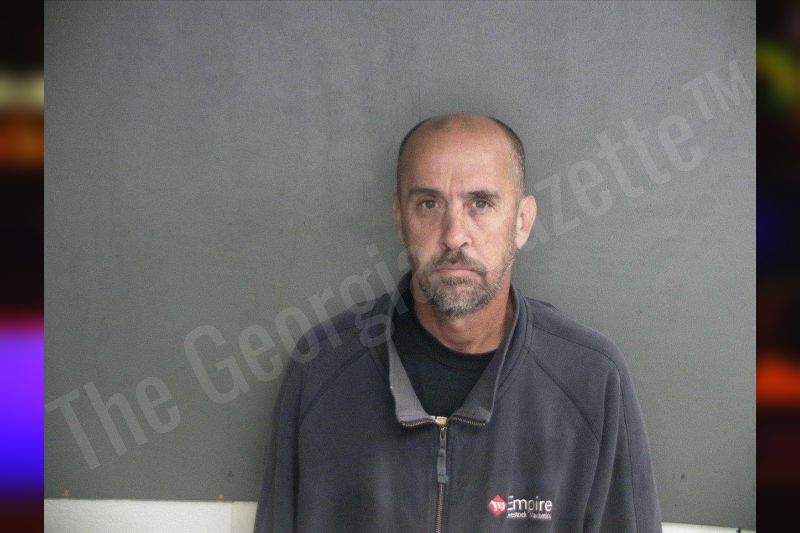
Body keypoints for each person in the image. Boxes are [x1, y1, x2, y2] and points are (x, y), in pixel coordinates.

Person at [254, 114, 662, 532]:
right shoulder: (322, 370)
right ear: (399, 218)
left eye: (480, 203)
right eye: (429, 204)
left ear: (522, 221)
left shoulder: (591, 381)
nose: (454, 235)